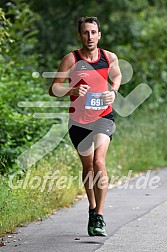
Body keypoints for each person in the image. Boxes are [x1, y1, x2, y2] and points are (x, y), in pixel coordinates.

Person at [49, 16, 122, 236]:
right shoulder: (71, 59)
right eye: (85, 32)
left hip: (103, 118)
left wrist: (113, 91)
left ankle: (99, 216)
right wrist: (71, 91)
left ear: (99, 35)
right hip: (79, 122)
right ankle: (92, 208)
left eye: (93, 32)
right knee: (89, 167)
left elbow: (117, 75)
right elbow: (54, 89)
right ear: (80, 35)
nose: (89, 36)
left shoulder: (109, 57)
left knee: (99, 162)